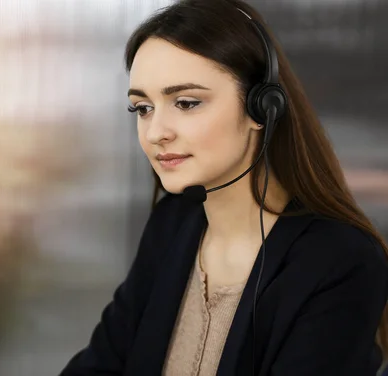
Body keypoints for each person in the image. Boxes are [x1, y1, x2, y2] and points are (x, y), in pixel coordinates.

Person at [59, 0, 388, 375]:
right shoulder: (172, 224)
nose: (155, 133)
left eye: (186, 102)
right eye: (143, 108)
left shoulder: (340, 263)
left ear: (261, 108)